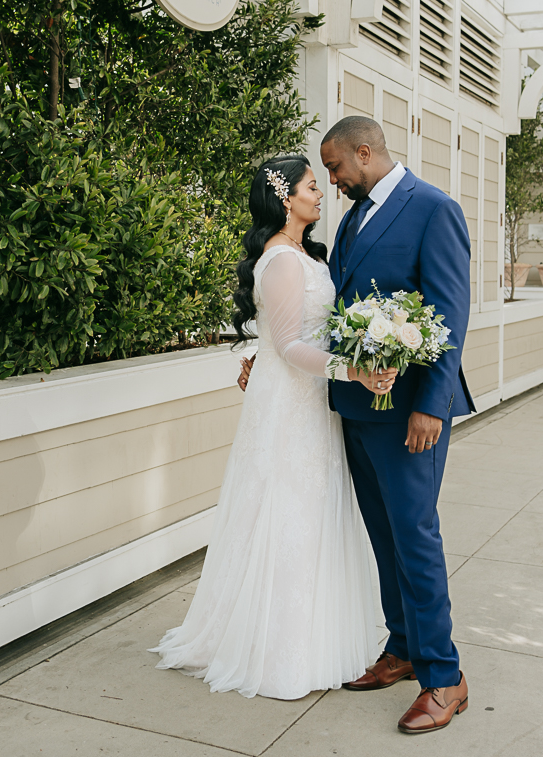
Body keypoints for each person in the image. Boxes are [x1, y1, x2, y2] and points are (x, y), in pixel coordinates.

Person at [240, 117, 474, 734]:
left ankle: (445, 678)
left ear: (363, 153)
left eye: (335, 169)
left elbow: (450, 313)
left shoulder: (434, 209)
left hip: (410, 415)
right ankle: (401, 647)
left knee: (416, 538)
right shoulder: (352, 219)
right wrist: (260, 352)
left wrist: (431, 404)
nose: (333, 182)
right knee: (384, 537)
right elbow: (326, 311)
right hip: (354, 410)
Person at [150, 154, 384, 700]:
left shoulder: (305, 254)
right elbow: (290, 345)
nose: (320, 192)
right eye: (310, 186)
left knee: (310, 515)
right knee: (288, 517)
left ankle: (310, 636)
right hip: (290, 407)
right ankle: (278, 651)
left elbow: (285, 338)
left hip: (310, 401)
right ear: (286, 200)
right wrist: (350, 370)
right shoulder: (281, 261)